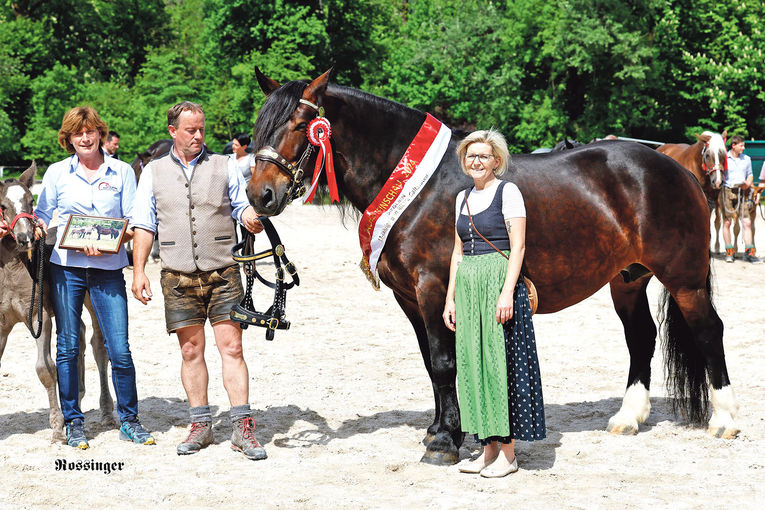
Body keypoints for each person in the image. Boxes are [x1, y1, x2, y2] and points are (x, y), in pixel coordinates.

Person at [130, 101, 267, 460]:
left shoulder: (224, 165)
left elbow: (240, 205)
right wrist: (140, 270)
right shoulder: (153, 172)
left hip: (224, 272)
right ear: (173, 131)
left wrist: (250, 215)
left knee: (232, 349)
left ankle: (242, 427)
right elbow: (144, 224)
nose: (198, 136)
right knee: (190, 351)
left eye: (202, 129)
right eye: (191, 130)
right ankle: (201, 425)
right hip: (176, 277)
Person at [34, 106, 154, 449]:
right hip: (66, 268)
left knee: (119, 348)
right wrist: (38, 225)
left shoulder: (121, 172)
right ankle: (74, 421)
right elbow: (42, 215)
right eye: (77, 134)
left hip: (109, 270)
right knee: (68, 347)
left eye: (90, 132)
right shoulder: (57, 173)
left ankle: (129, 419)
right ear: (68, 139)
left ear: (100, 133)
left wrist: (111, 242)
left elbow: (133, 219)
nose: (84, 138)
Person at [443, 129, 545, 478]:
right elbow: (457, 252)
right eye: (471, 156)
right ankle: (487, 450)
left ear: (496, 161)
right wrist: (449, 299)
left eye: (483, 156)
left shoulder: (509, 192)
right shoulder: (462, 198)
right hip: (468, 286)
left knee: (500, 367)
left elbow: (518, 247)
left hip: (497, 282)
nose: (476, 161)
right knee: (473, 366)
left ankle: (509, 454)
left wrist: (506, 292)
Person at [722, 135, 759, 263]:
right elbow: (721, 175)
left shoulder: (746, 159)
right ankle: (729, 251)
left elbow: (750, 175)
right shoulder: (724, 158)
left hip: (743, 192)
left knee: (747, 222)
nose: (743, 148)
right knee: (727, 222)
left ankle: (749, 252)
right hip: (728, 191)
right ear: (733, 145)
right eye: (741, 145)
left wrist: (748, 184)